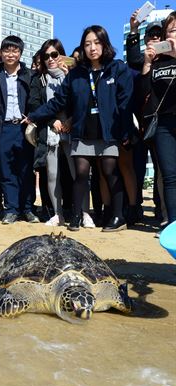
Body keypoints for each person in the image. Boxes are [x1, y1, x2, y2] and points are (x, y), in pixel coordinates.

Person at [27, 25, 134, 232]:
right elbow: (58, 101)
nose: (92, 48)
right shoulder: (76, 74)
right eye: (87, 44)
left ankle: (119, 216)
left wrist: (125, 131)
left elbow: (125, 102)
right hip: (82, 132)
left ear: (104, 44)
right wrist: (33, 115)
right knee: (81, 173)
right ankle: (75, 216)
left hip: (107, 131)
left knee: (110, 172)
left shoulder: (117, 68)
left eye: (96, 42)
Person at [28, 39, 95, 228]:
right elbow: (35, 105)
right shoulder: (39, 79)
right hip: (50, 131)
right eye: (46, 56)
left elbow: (83, 102)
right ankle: (58, 214)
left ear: (62, 55)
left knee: (79, 174)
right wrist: (52, 121)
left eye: (54, 55)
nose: (50, 59)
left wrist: (70, 120)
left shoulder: (75, 76)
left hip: (72, 129)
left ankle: (84, 213)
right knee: (52, 174)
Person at [0, 35, 39, 224]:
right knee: (6, 172)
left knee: (26, 170)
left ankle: (28, 209)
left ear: (21, 53)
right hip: (3, 129)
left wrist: (32, 117)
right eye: (7, 50)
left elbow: (36, 101)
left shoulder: (29, 75)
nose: (11, 54)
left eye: (15, 50)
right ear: (1, 53)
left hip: (24, 129)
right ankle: (12, 209)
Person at [140, 11, 176, 236]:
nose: (175, 34)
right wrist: (146, 64)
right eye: (172, 30)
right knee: (171, 177)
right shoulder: (158, 62)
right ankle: (173, 228)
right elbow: (145, 96)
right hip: (163, 124)